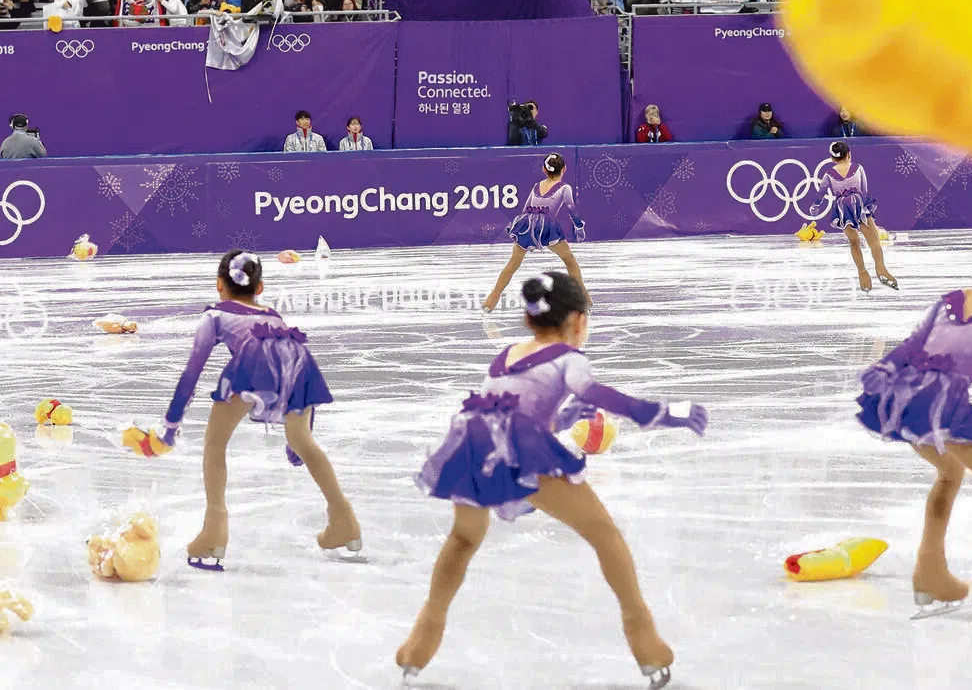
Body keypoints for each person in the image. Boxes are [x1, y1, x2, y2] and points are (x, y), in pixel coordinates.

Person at [402, 270, 707, 683]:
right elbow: (594, 393)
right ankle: (646, 641)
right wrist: (662, 413)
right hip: (517, 448)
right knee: (604, 534)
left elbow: (511, 407)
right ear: (578, 321)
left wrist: (560, 416)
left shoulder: (505, 353)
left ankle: (420, 642)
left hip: (473, 443)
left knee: (463, 539)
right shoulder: (569, 357)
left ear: (529, 320)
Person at [855, 227, 972, 623]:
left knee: (950, 473)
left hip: (902, 399)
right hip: (943, 408)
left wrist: (883, 368)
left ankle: (931, 577)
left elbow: (911, 346)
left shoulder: (948, 302)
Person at [158, 250, 361, 571]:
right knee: (305, 441)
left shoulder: (215, 315)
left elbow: (192, 372)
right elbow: (296, 371)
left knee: (215, 443)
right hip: (298, 359)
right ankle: (343, 518)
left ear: (219, 284)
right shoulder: (274, 317)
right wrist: (300, 438)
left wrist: (170, 426)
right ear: (260, 287)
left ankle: (214, 532)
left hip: (253, 363)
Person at [481, 151, 589, 310]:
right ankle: (584, 299)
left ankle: (491, 300)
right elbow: (572, 211)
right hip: (548, 229)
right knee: (570, 260)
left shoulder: (536, 186)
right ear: (564, 169)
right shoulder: (565, 188)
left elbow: (525, 209)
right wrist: (579, 227)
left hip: (528, 223)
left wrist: (525, 231)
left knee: (513, 263)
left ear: (544, 170)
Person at [811, 140, 897, 292]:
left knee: (854, 242)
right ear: (849, 154)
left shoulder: (828, 174)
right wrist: (868, 209)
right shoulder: (858, 168)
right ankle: (881, 269)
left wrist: (815, 206)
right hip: (859, 205)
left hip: (843, 209)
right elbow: (864, 190)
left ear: (832, 158)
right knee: (874, 240)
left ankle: (862, 273)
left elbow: (821, 193)